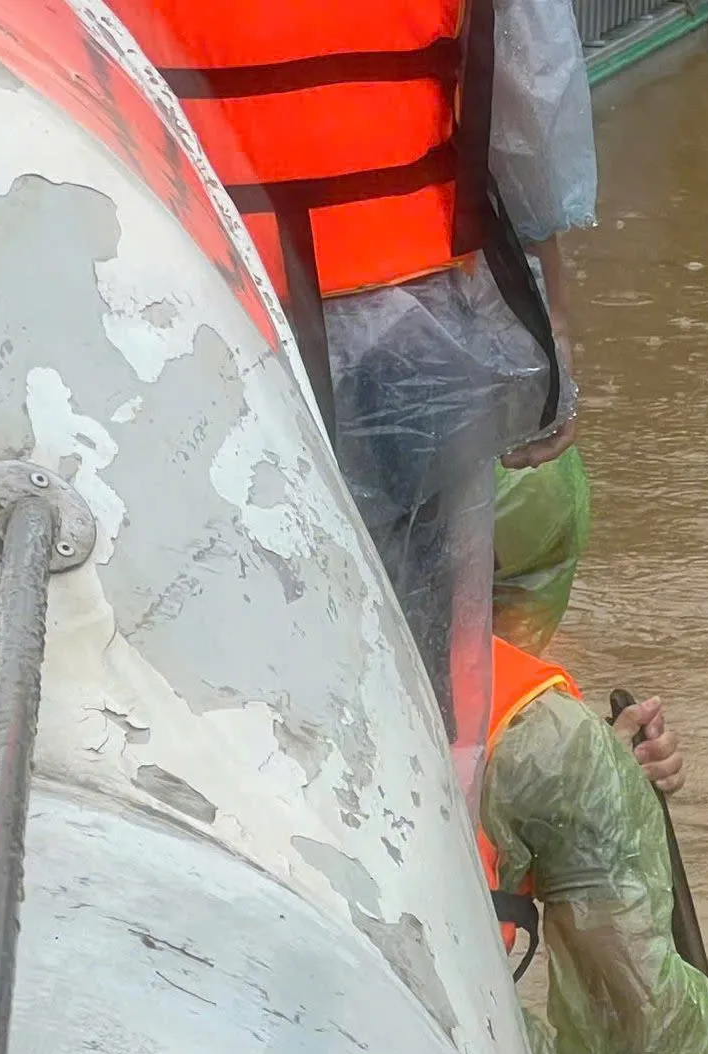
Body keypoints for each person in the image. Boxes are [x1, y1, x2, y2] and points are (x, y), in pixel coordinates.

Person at [113, 0, 598, 767]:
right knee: (414, 684)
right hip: (406, 315)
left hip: (182, 310)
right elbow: (531, 104)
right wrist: (552, 325)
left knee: (205, 655)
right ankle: (422, 851)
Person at [477, 637, 708, 1054]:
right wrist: (706, 1040)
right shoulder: (523, 705)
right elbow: (646, 1038)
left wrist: (612, 776)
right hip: (414, 1042)